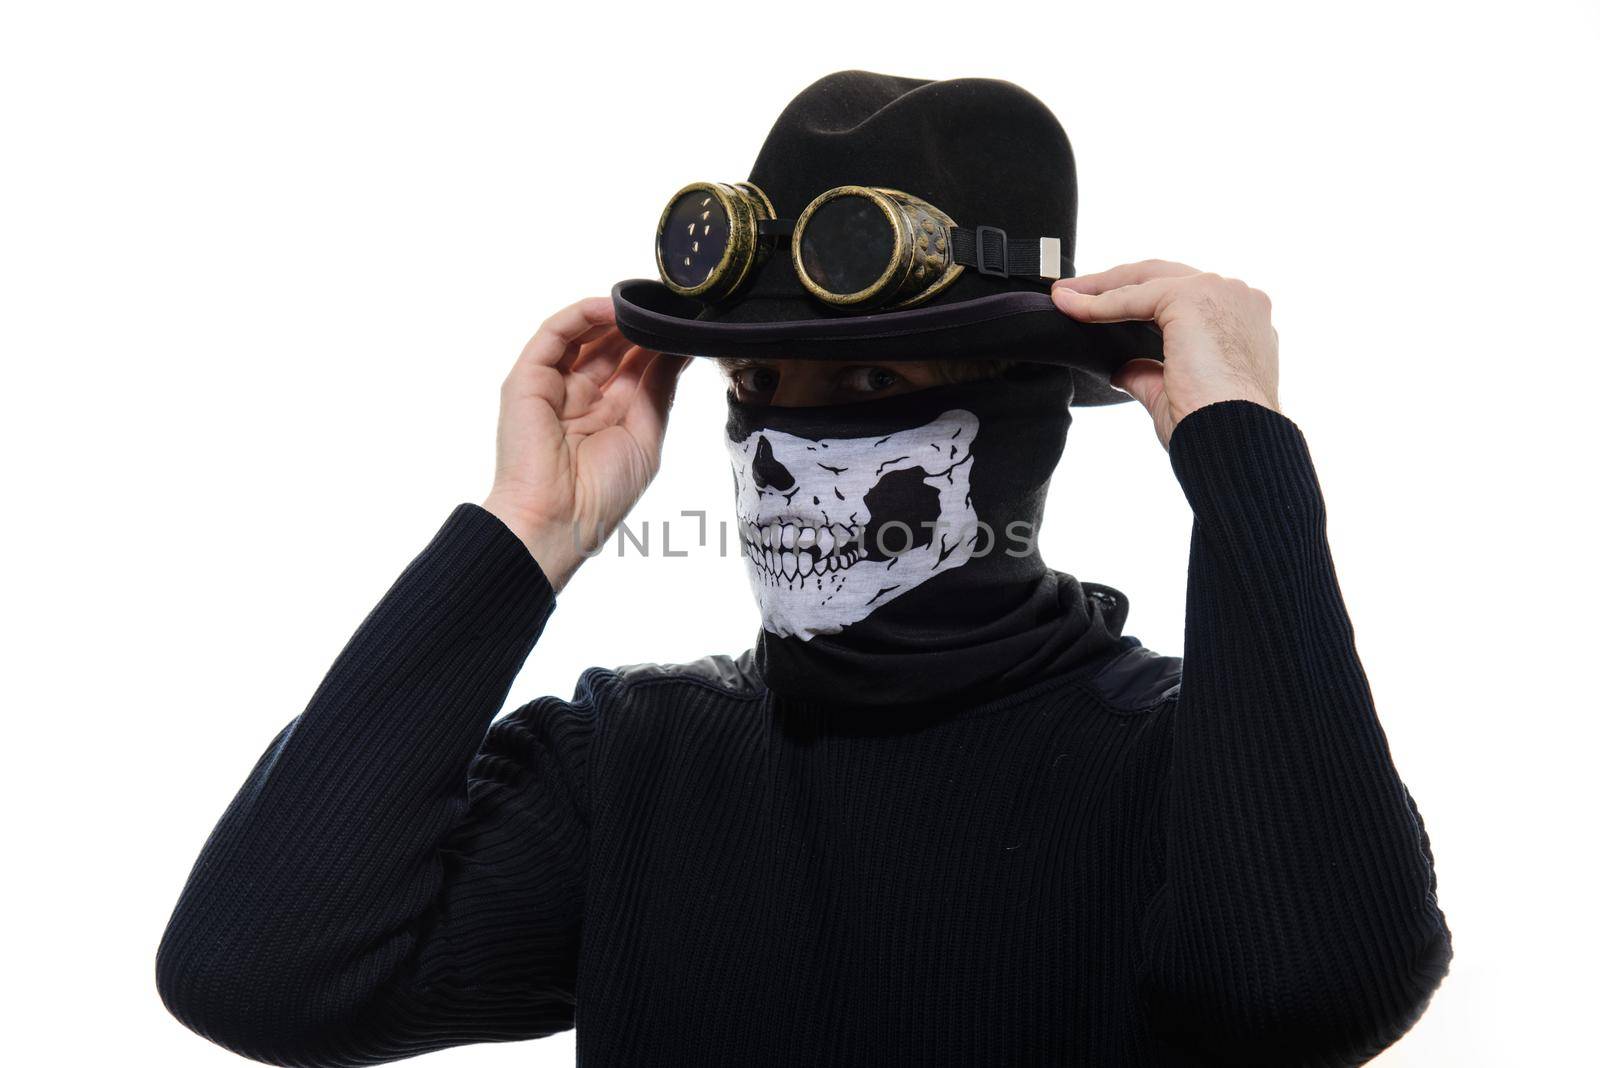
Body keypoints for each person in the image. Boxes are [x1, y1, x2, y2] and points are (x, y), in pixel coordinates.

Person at [155, 71, 1451, 1066]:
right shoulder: (630, 766)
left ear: (1021, 425)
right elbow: (257, 973)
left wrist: (1240, 453)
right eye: (757, 385)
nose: (784, 447)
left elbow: (1313, 985)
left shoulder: (1171, 768)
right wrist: (525, 529)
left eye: (873, 383)